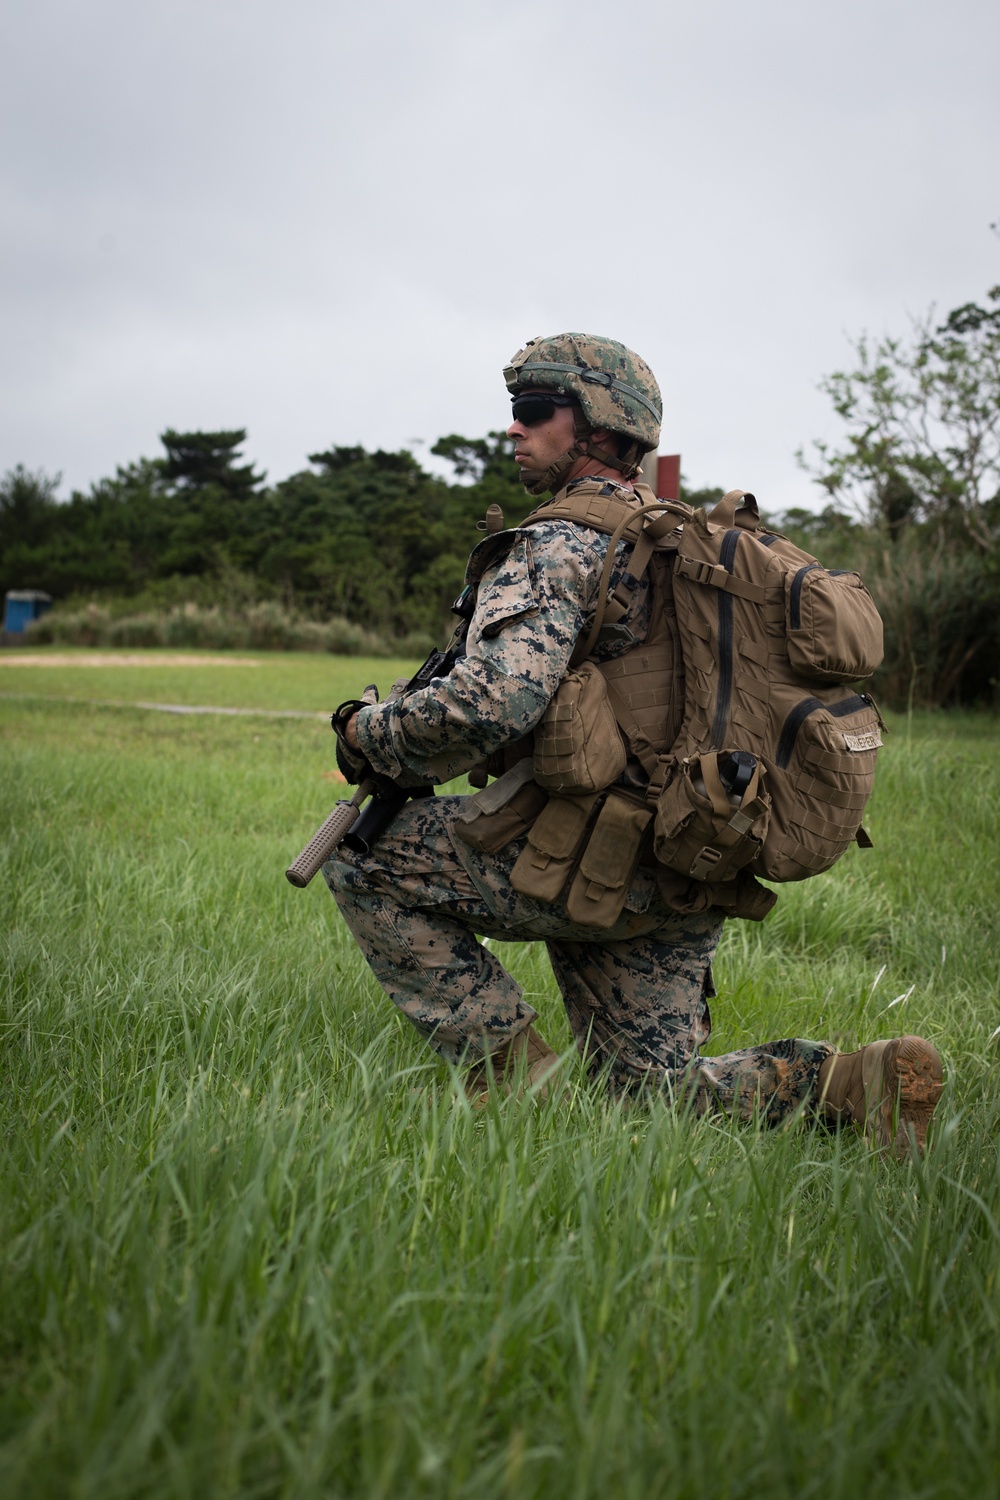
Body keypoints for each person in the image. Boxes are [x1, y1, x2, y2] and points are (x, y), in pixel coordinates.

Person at [323, 333, 943, 1156]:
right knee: (647, 1099)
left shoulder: (558, 543)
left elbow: (490, 703)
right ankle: (850, 1082)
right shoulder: (686, 542)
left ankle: (516, 1094)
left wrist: (366, 731)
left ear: (600, 426)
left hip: (577, 854)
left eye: (534, 411)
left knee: (358, 859)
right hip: (690, 854)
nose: (514, 429)